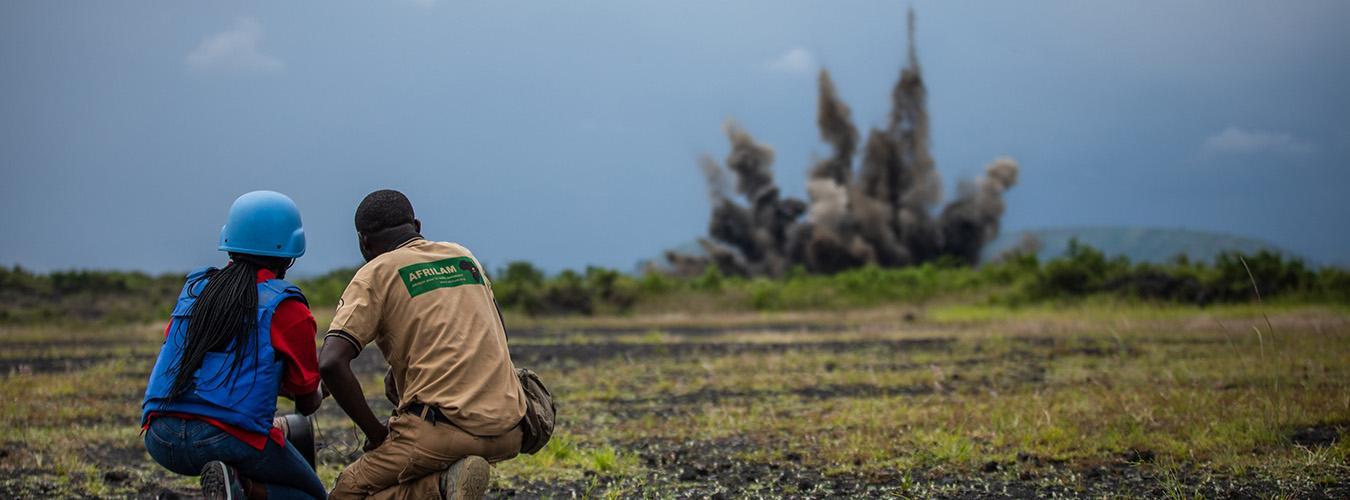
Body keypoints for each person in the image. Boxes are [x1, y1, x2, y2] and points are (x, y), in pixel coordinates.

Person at [321, 189, 526, 500]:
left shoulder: (375, 273)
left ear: (364, 242)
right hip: (509, 427)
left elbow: (331, 362)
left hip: (441, 432)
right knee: (411, 469)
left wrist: (376, 434)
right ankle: (445, 482)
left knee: (347, 492)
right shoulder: (462, 256)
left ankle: (440, 489)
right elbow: (496, 332)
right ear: (416, 226)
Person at [141, 191, 326, 500]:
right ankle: (242, 490)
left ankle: (222, 489)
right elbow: (307, 403)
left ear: (229, 240)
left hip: (160, 436)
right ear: (290, 251)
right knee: (311, 496)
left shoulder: (195, 289)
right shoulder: (288, 309)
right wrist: (319, 387)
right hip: (224, 439)